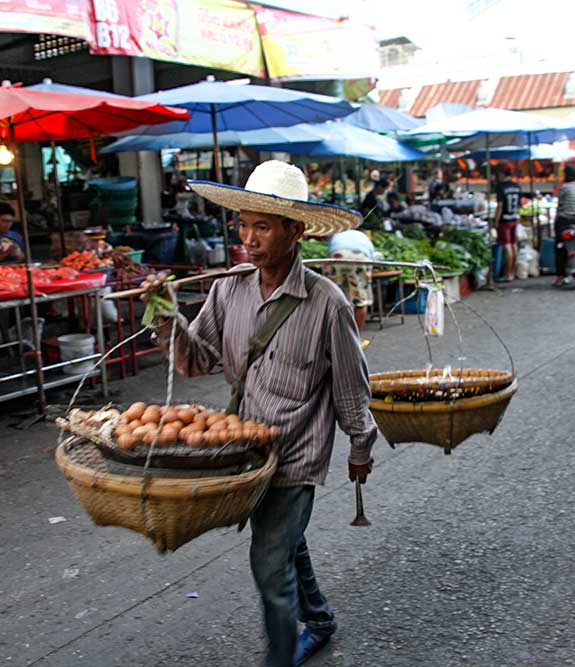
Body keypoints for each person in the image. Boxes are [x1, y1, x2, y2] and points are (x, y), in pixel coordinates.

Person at [140, 160, 377, 667]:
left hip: (295, 455)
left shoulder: (326, 303)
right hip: (245, 452)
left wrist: (360, 446)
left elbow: (351, 386)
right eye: (243, 225)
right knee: (284, 544)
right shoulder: (228, 290)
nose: (248, 238)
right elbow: (196, 358)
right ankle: (319, 619)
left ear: (295, 231)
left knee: (269, 561)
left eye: (262, 227)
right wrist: (166, 316)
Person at [324, 229, 375, 331]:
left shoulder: (338, 234)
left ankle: (334, 334)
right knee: (360, 299)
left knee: (333, 295)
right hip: (359, 256)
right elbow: (371, 259)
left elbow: (328, 253)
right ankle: (355, 338)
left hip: (337, 254)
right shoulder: (363, 237)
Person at [553, 164, 575, 287]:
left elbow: (560, 204)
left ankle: (560, 276)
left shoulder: (564, 188)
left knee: (560, 248)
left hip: (563, 220)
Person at [493, 163, 522, 282]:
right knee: (514, 245)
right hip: (514, 218)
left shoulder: (501, 187)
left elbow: (500, 205)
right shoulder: (517, 186)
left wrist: (496, 221)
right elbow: (520, 204)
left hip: (504, 220)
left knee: (507, 246)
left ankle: (508, 273)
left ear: (501, 173)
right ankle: (512, 272)